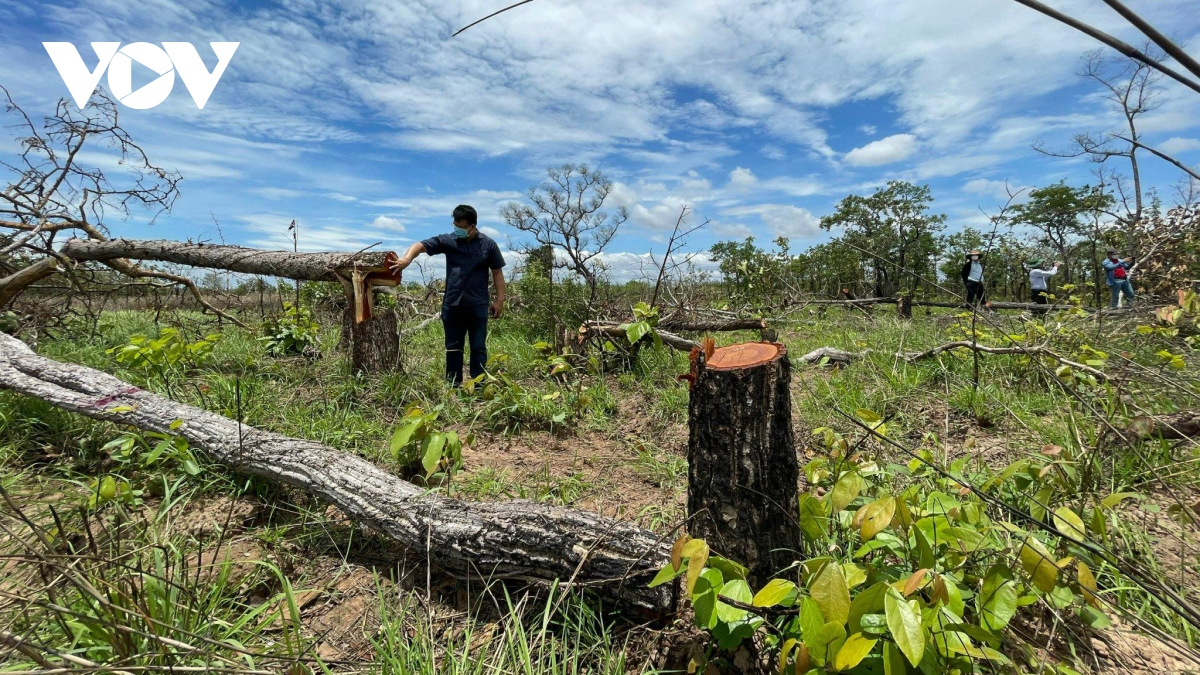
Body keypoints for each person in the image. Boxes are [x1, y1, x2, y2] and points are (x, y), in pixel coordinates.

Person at [392, 205, 507, 385]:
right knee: (453, 348)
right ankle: (453, 387)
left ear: (472, 226)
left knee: (478, 347)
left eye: (461, 227)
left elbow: (497, 272)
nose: (457, 230)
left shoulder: (488, 245)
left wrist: (499, 300)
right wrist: (407, 258)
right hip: (453, 304)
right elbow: (420, 245)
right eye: (455, 225)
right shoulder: (448, 240)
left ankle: (479, 387)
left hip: (478, 305)